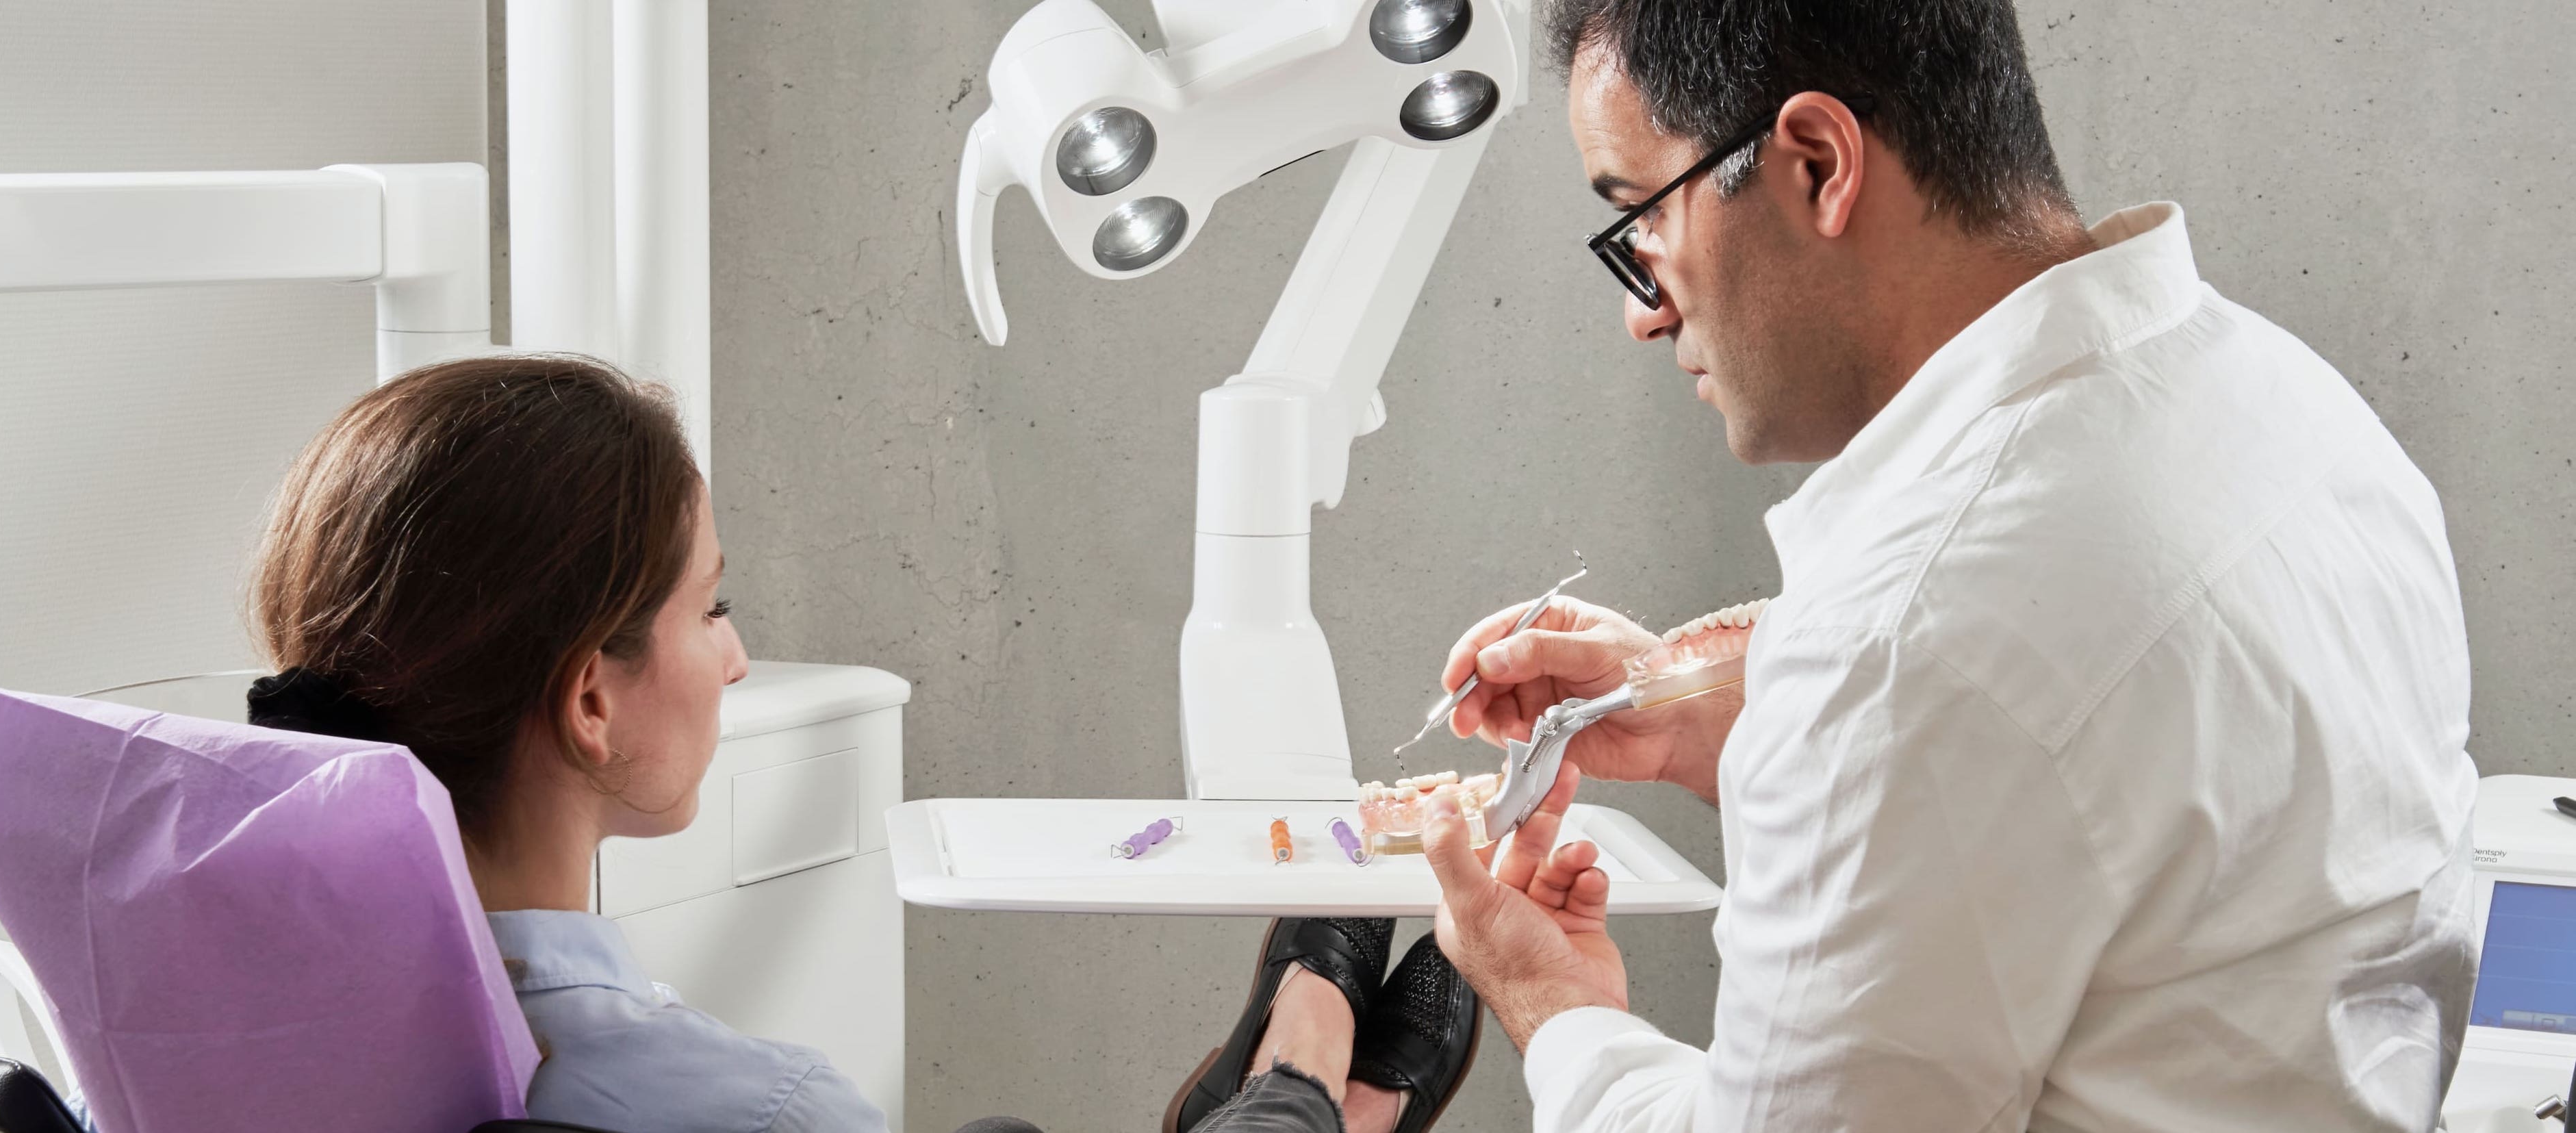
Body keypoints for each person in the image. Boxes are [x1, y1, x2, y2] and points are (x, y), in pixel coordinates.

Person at [1414, 2, 2479, 1131]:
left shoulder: (1905, 638)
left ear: (1817, 164)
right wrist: (1760, 718)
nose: (1645, 313)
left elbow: (1943, 677)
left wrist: (1556, 1005)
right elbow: (2131, 811)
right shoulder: (2289, 405)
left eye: (1641, 217)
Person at [240, 355, 1490, 1133]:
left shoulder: (189, 1024)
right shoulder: (762, 1115)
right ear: (590, 703)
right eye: (712, 608)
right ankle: (1316, 1090)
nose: (734, 658)